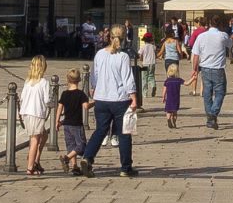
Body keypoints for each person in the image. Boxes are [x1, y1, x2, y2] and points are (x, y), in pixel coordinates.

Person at [77, 29, 138, 178]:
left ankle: (88, 157)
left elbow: (94, 74)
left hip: (101, 99)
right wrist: (134, 97)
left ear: (109, 37)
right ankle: (125, 167)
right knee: (124, 133)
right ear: (123, 39)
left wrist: (94, 88)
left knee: (100, 130)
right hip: (119, 99)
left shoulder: (100, 54)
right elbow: (127, 78)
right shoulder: (123, 56)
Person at [192, 11, 229, 129]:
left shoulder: (201, 36)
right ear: (220, 24)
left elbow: (196, 55)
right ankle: (213, 114)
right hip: (218, 69)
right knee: (220, 92)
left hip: (205, 68)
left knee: (207, 94)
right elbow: (230, 44)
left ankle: (210, 118)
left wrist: (194, 69)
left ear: (209, 23)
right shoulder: (223, 36)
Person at [17, 55, 52, 175]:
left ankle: (35, 159)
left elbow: (22, 98)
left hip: (26, 112)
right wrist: (53, 103)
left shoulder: (28, 81)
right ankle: (30, 167)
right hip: (36, 113)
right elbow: (47, 100)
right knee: (34, 140)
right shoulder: (44, 82)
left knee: (44, 135)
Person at [56, 69, 88, 175]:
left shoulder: (64, 94)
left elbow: (60, 108)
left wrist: (57, 121)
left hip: (66, 124)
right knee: (81, 145)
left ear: (68, 80)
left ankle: (75, 166)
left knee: (71, 145)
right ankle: (67, 158)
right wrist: (94, 102)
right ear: (79, 80)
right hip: (77, 124)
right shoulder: (80, 94)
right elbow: (86, 106)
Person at [138, 30, 158, 99]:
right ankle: (153, 85)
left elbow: (140, 55)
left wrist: (141, 59)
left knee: (144, 78)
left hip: (145, 63)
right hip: (152, 63)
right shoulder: (153, 47)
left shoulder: (143, 47)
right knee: (151, 76)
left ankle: (145, 93)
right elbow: (155, 54)